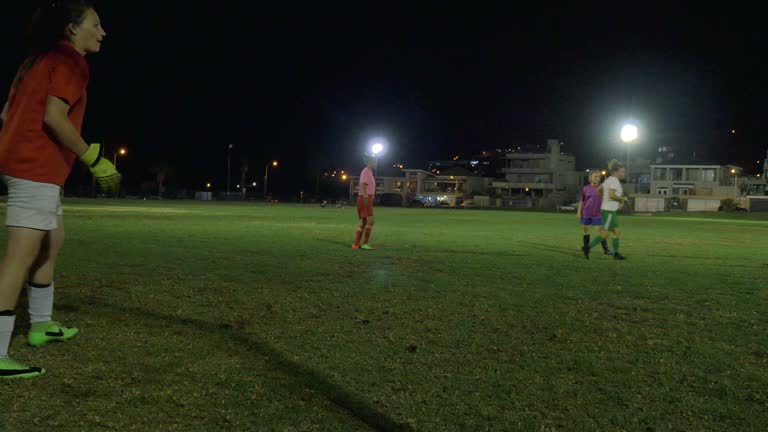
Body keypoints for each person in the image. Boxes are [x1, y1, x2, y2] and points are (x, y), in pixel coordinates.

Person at [0, 1, 119, 379]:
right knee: (19, 258)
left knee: (53, 241)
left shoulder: (34, 61)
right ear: (72, 29)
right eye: (95, 25)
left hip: (32, 166)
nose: (102, 32)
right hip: (34, 167)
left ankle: (40, 324)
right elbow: (54, 116)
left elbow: (6, 114)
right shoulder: (71, 62)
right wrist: (94, 158)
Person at [583, 160, 628, 260]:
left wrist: (606, 200)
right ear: (616, 172)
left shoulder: (609, 180)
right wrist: (622, 199)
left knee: (617, 231)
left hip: (610, 210)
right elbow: (612, 195)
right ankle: (587, 247)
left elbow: (598, 190)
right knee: (605, 234)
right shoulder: (614, 181)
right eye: (622, 171)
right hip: (609, 212)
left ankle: (616, 254)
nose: (623, 174)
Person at [577, 170, 612, 256]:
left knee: (599, 232)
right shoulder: (586, 188)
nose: (597, 178)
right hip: (586, 213)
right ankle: (586, 247)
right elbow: (582, 200)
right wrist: (578, 211)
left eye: (599, 177)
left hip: (597, 214)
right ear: (590, 178)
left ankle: (606, 249)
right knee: (586, 231)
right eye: (595, 176)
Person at [352, 153, 377, 250]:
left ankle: (356, 244)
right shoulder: (366, 171)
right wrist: (366, 195)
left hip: (364, 198)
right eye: (374, 161)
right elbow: (363, 184)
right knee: (370, 222)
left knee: (364, 222)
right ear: (370, 162)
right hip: (364, 198)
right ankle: (365, 244)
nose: (376, 163)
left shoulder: (369, 172)